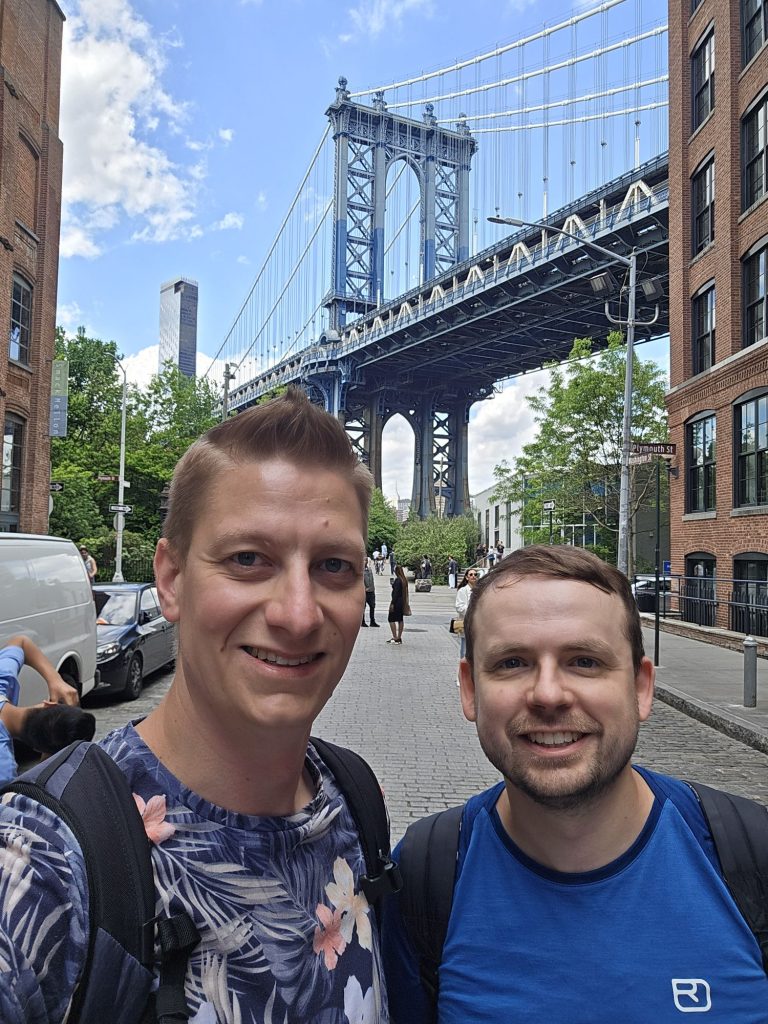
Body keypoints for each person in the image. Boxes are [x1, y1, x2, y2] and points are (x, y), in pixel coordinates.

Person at [0, 389, 392, 1023]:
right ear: (171, 579)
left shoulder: (355, 801)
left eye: (334, 566)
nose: (298, 614)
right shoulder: (41, 859)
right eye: (248, 559)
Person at [383, 546, 768, 1021]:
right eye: (512, 663)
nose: (548, 694)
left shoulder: (750, 853)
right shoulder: (423, 875)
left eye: (584, 661)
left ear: (641, 688)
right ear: (470, 690)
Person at [0, 636, 87, 780]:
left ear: (49, 704)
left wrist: (55, 679)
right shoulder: (4, 772)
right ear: (38, 749)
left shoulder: (4, 679)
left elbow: (20, 642)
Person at [454, 569, 478, 660]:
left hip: (478, 623)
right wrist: (472, 610)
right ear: (467, 577)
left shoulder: (479, 590)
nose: (473, 576)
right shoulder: (463, 590)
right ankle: (464, 666)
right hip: (466, 622)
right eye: (471, 574)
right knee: (465, 649)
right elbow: (459, 607)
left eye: (475, 574)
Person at [387, 565, 409, 645]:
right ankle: (399, 637)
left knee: (391, 619)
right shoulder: (404, 580)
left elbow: (396, 593)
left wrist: (392, 603)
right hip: (402, 602)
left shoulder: (398, 580)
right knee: (400, 619)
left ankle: (395, 637)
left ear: (396, 571)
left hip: (396, 602)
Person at [362, 557, 380, 627]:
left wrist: (372, 588)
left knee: (372, 606)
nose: (365, 562)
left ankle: (372, 621)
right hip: (364, 592)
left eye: (366, 560)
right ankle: (362, 621)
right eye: (364, 560)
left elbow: (372, 580)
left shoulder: (369, 569)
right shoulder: (360, 571)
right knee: (363, 607)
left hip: (371, 591)